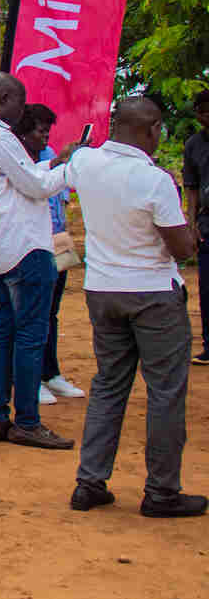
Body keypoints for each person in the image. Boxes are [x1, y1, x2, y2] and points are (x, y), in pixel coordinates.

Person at [66, 96, 203, 517]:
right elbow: (180, 248)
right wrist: (193, 234)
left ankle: (90, 482)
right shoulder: (155, 180)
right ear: (152, 129)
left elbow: (66, 164)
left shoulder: (85, 164)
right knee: (165, 392)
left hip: (102, 290)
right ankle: (161, 492)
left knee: (109, 384)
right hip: (152, 293)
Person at [0, 72, 82, 450]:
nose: (23, 110)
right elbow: (37, 186)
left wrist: (55, 162)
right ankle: (27, 421)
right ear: (6, 98)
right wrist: (70, 167)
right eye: (20, 102)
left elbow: (23, 177)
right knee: (29, 338)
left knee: (3, 335)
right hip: (26, 248)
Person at [11, 104, 85, 404]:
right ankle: (29, 380)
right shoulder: (15, 162)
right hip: (28, 248)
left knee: (50, 314)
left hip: (56, 243)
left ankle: (50, 373)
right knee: (29, 317)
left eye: (47, 132)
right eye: (40, 131)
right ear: (24, 133)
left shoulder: (49, 154)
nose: (45, 137)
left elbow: (60, 200)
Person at [182, 90, 209, 365]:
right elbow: (191, 187)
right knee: (207, 287)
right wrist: (191, 222)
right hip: (206, 222)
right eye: (202, 112)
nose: (206, 116)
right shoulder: (194, 145)